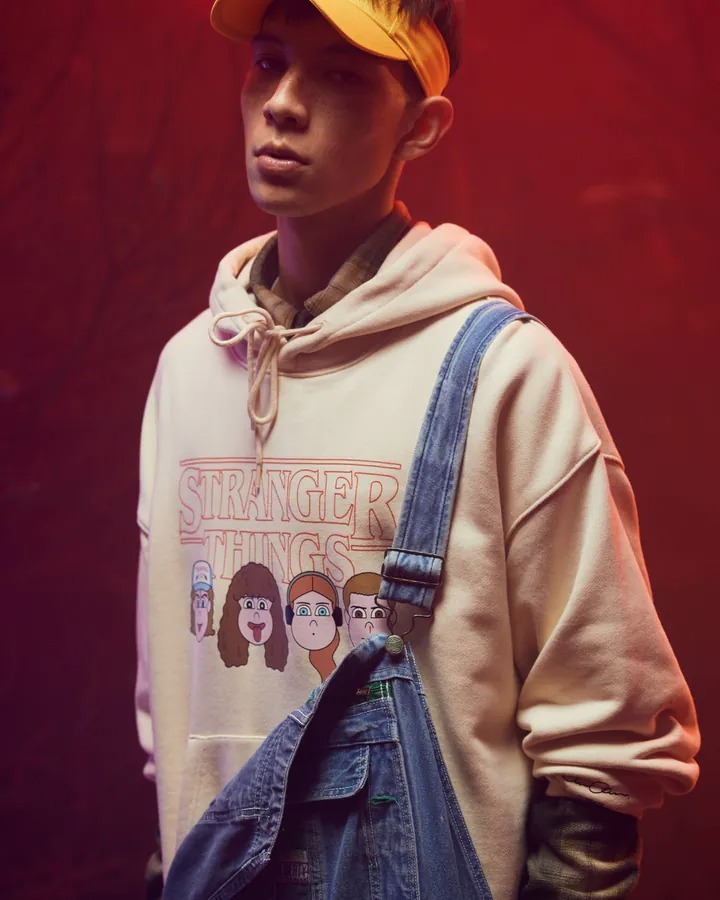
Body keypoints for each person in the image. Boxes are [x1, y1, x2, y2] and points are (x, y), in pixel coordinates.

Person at [134, 1, 700, 898]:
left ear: (422, 127)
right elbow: (171, 699)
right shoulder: (186, 373)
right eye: (269, 62)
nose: (283, 103)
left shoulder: (506, 376)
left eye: (340, 75)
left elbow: (605, 732)